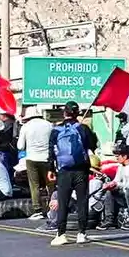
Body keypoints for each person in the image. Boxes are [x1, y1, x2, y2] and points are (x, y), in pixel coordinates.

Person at [48, 101, 99, 246]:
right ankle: (82, 233)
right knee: (82, 201)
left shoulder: (56, 130)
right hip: (81, 170)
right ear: (77, 113)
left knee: (63, 202)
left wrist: (51, 169)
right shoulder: (83, 128)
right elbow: (93, 144)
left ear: (64, 113)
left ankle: (61, 234)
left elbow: (51, 151)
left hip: (64, 171)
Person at [18, 106, 53, 220]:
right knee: (50, 184)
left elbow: (20, 146)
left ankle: (37, 209)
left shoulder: (26, 127)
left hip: (32, 158)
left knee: (35, 185)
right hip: (47, 158)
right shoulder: (49, 125)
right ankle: (52, 207)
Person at [98, 145, 129, 230]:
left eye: (117, 156)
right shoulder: (121, 166)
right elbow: (117, 180)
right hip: (125, 193)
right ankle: (110, 219)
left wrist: (118, 184)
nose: (116, 159)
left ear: (125, 156)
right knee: (110, 192)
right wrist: (110, 184)